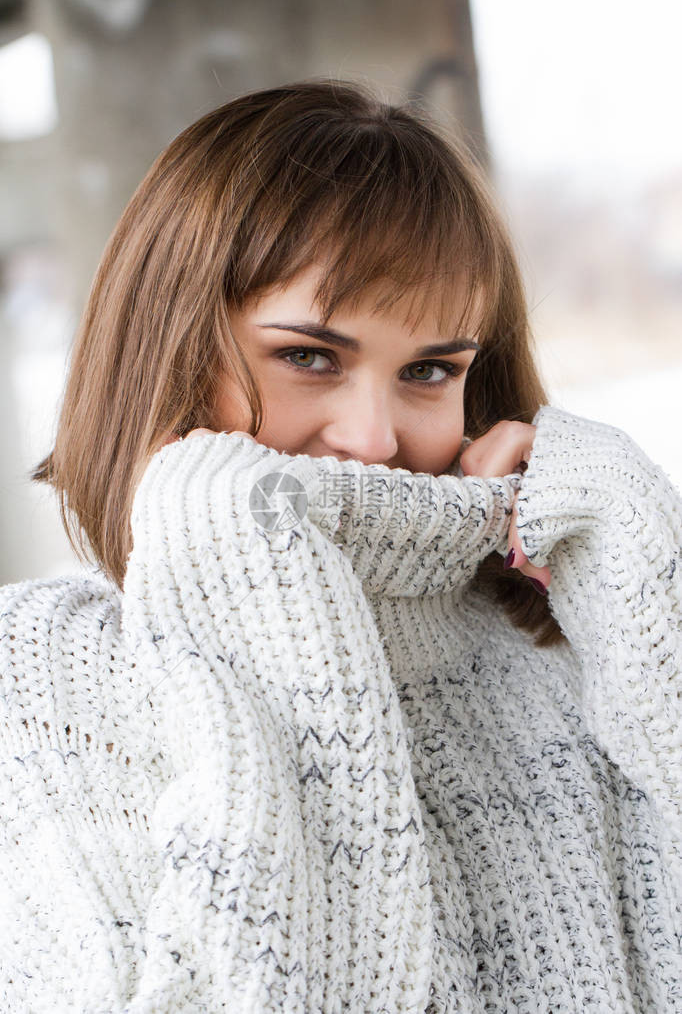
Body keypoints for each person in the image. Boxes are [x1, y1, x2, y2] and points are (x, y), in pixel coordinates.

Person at [1, 78, 680, 1013]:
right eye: (309, 356)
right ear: (166, 349)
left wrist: (627, 566)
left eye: (430, 371)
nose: (373, 438)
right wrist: (241, 571)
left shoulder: (550, 645)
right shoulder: (48, 677)